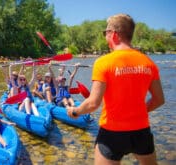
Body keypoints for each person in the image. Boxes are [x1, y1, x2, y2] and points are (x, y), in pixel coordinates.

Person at [67, 14, 164, 165]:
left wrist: (74, 111)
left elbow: (93, 103)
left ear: (114, 34)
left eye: (105, 33)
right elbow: (159, 100)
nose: (105, 36)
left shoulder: (103, 63)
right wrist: (139, 111)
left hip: (112, 133)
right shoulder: (149, 63)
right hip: (141, 131)